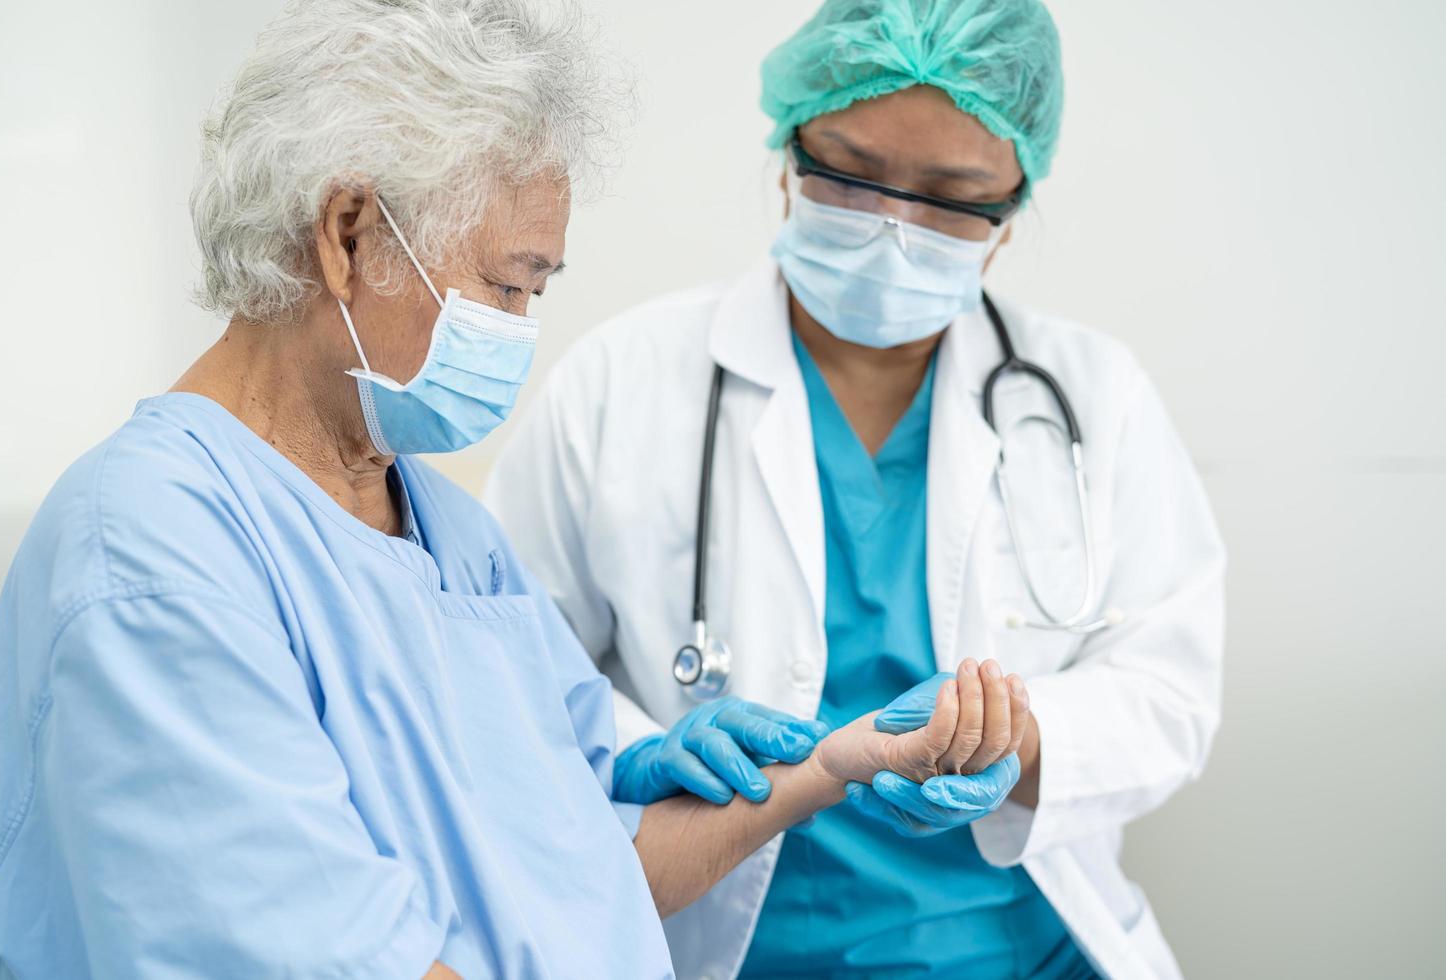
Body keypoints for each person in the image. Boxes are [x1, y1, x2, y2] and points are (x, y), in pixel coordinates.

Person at [0, 1, 983, 977]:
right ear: (350, 231)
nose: (518, 326)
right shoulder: (153, 555)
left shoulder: (447, 529)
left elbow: (596, 865)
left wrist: (832, 765)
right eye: (508, 283)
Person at [484, 0, 1227, 977]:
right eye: (852, 177)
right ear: (791, 153)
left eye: (952, 196)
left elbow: (1169, 690)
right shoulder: (620, 382)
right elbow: (506, 666)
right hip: (723, 944)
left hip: (1022, 952)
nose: (895, 229)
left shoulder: (1096, 396)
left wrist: (1022, 736)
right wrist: (635, 748)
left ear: (1011, 209)